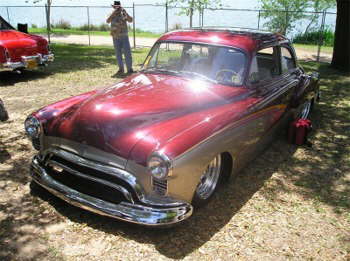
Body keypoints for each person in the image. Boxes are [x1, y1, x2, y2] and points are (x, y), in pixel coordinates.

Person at [106, 1, 133, 75]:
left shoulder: (123, 13)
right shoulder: (111, 13)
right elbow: (107, 21)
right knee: (118, 54)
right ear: (113, 7)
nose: (117, 8)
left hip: (124, 36)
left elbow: (131, 20)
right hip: (115, 36)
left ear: (120, 7)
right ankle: (121, 69)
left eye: (118, 7)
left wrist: (126, 13)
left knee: (127, 53)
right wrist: (113, 13)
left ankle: (129, 69)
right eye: (115, 7)